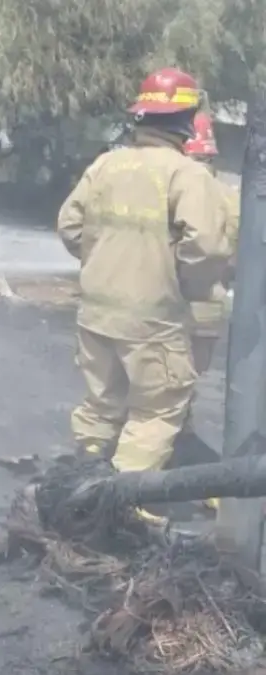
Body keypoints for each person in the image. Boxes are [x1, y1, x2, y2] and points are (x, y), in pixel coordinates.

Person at [57, 67, 229, 521]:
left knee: (102, 404)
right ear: (189, 118)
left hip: (95, 316)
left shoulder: (105, 164)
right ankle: (116, 505)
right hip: (153, 318)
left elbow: (70, 227)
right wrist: (183, 283)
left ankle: (81, 479)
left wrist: (107, 264)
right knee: (157, 412)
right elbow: (208, 247)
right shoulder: (188, 176)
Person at [175, 111, 241, 498]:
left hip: (175, 305)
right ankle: (179, 439)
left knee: (166, 384)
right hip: (207, 307)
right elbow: (235, 256)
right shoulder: (227, 197)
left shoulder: (175, 187)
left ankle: (172, 451)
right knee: (186, 380)